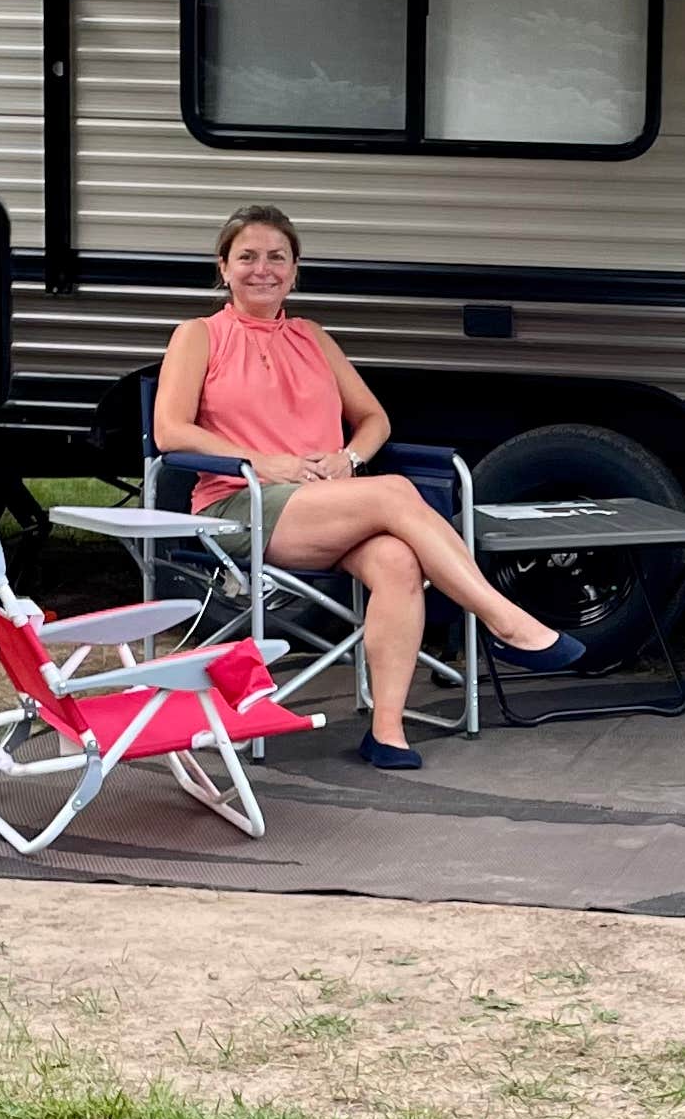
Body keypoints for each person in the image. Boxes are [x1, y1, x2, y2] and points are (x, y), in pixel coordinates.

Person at [152, 204, 583, 769]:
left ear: (295, 269)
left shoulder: (313, 337)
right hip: (243, 503)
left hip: (327, 502)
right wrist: (264, 462)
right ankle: (506, 622)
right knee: (395, 492)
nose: (263, 269)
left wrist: (348, 457)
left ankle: (386, 731)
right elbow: (169, 430)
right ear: (223, 268)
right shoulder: (199, 335)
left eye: (277, 257)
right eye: (248, 257)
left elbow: (374, 419)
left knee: (400, 562)